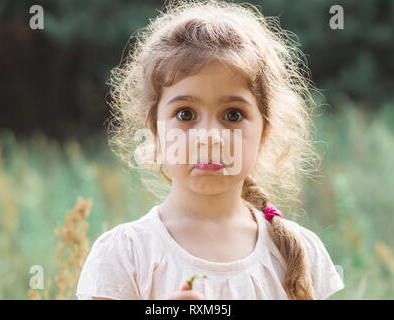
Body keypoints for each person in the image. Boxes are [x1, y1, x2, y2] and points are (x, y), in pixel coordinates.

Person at [76, 0, 344, 300]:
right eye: (186, 114)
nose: (209, 138)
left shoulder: (300, 254)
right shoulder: (125, 255)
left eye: (232, 115)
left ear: (264, 132)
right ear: (155, 130)